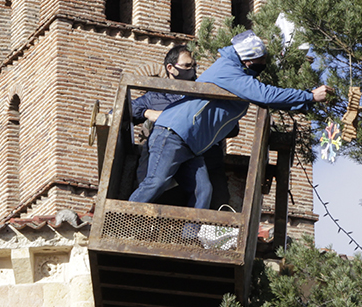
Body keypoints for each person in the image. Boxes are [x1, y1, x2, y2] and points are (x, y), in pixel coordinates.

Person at [129, 30, 331, 209]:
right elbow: (265, 95)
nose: (264, 64)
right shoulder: (229, 71)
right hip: (173, 135)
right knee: (155, 182)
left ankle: (190, 235)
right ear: (248, 61)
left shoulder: (236, 72)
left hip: (191, 145)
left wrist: (306, 100)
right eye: (261, 60)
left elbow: (266, 100)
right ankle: (119, 223)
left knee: (203, 191)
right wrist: (309, 96)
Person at [130, 45, 198, 189]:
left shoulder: (200, 96)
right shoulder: (156, 97)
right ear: (170, 68)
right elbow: (120, 110)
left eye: (193, 65)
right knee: (149, 186)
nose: (191, 69)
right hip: (157, 155)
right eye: (187, 65)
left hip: (191, 157)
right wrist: (147, 113)